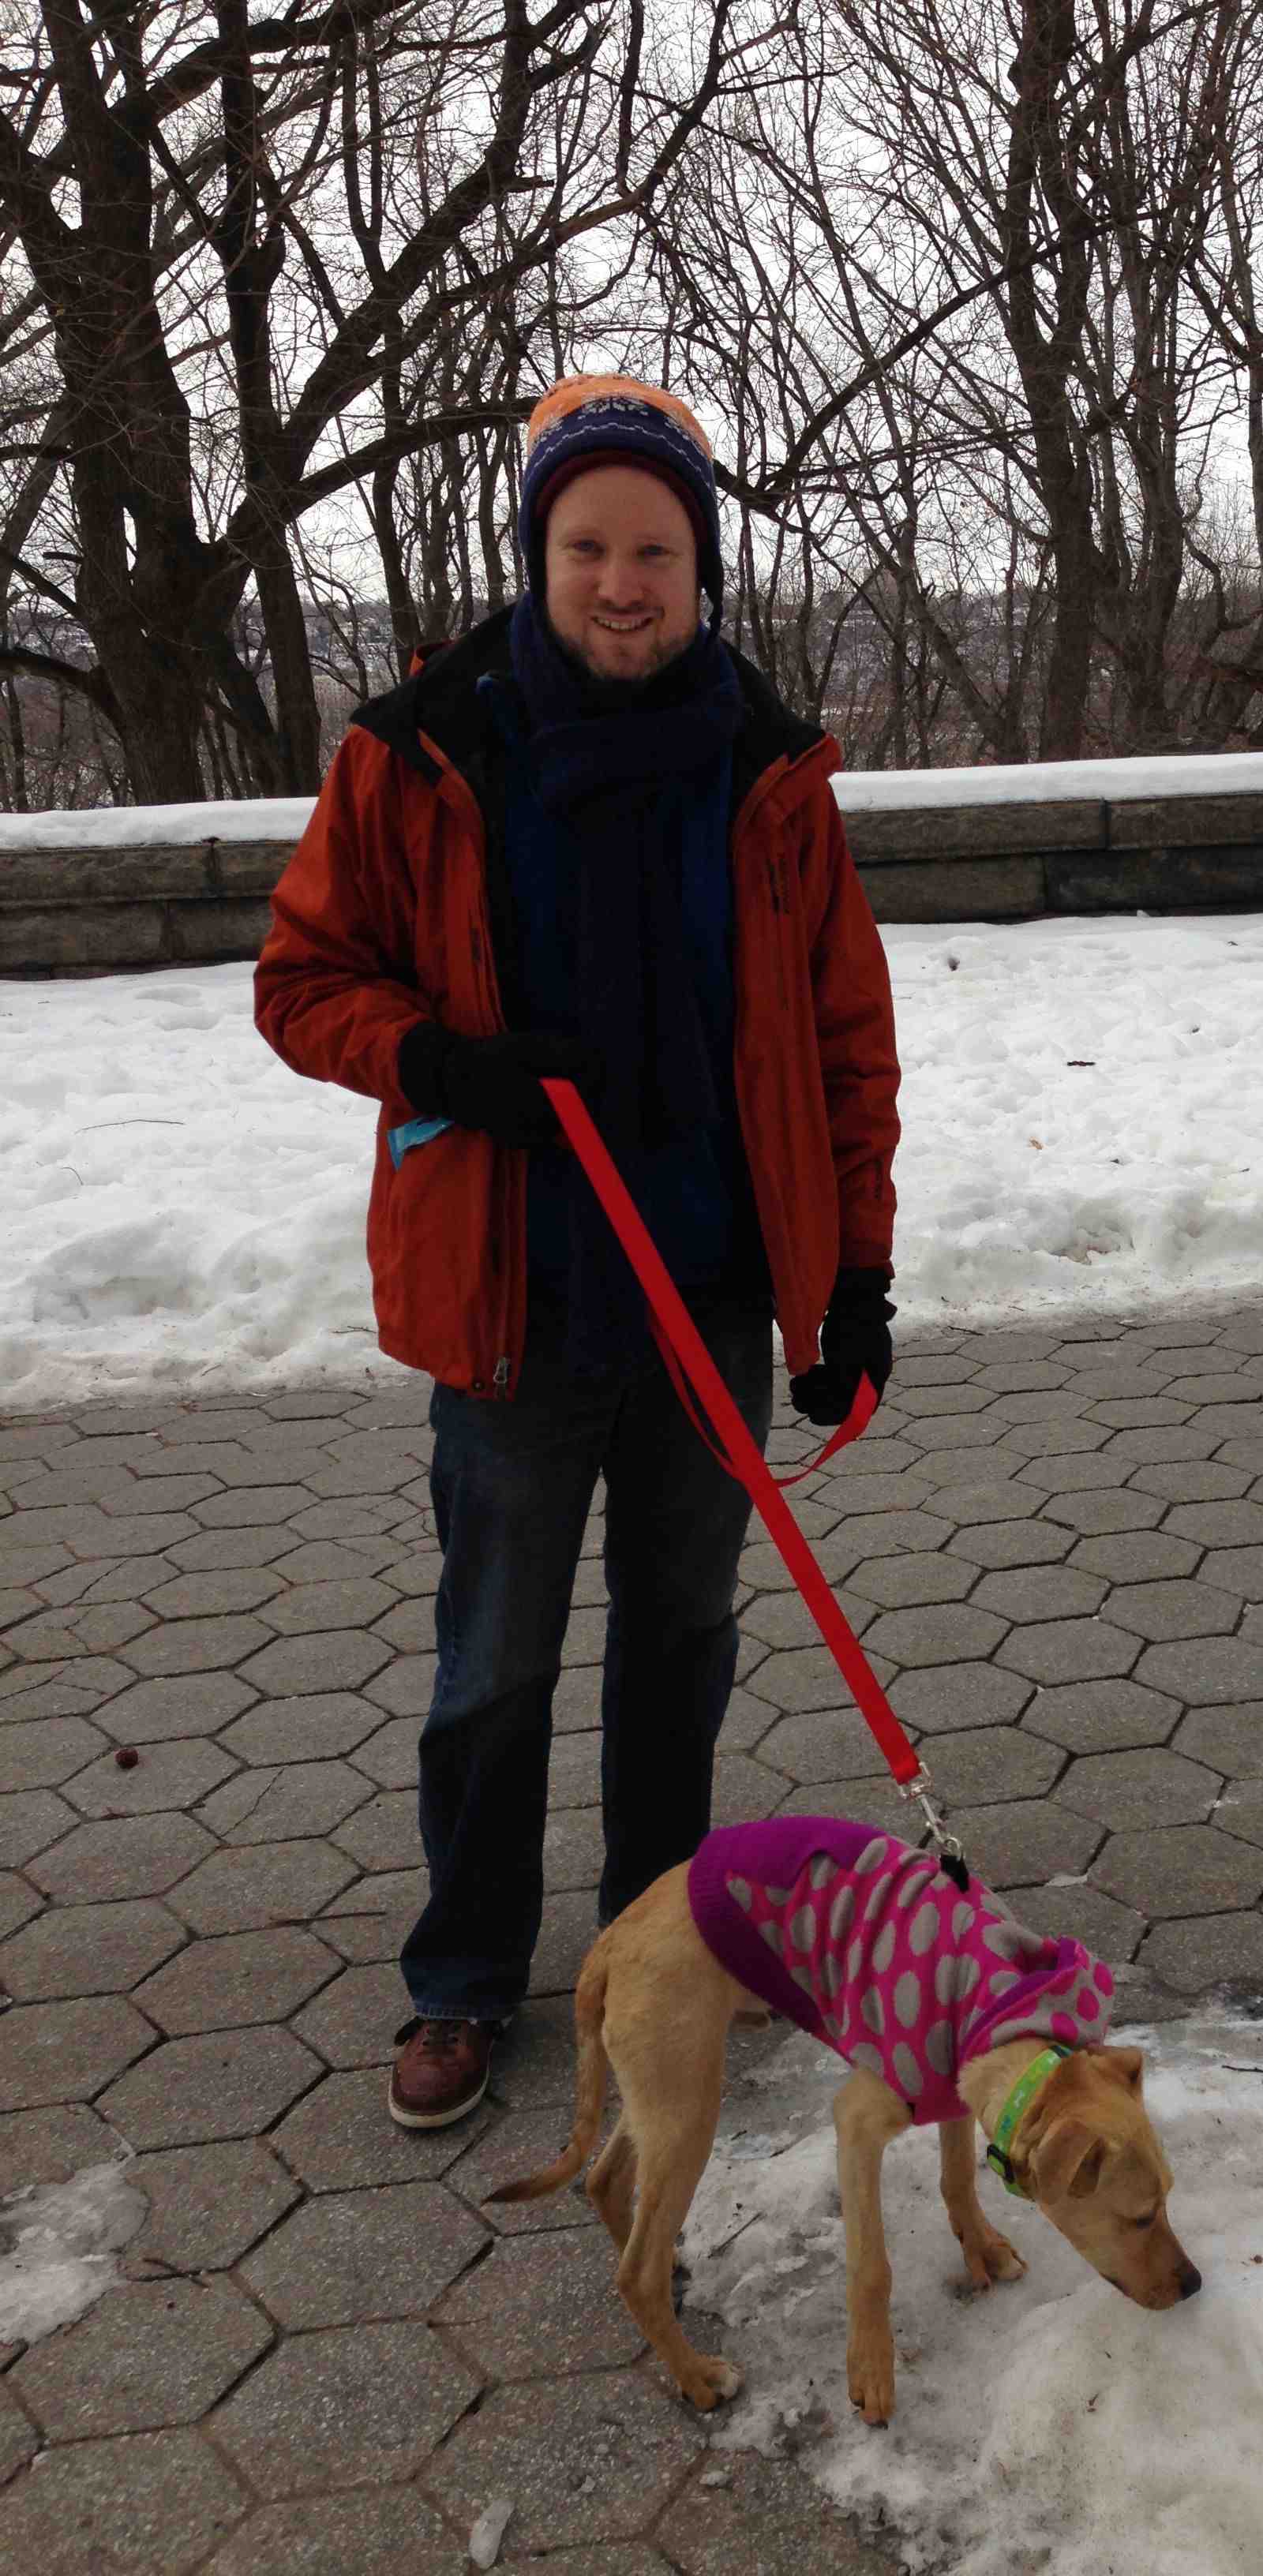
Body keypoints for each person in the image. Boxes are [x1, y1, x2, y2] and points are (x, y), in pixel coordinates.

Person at [256, 376, 901, 2129]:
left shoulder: (768, 772)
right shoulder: (422, 752)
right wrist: (443, 1064)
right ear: (538, 555)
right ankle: (465, 1975)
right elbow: (301, 982)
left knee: (680, 1641)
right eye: (589, 547)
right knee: (496, 1665)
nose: (623, 583)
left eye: (657, 551)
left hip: (710, 1294)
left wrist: (852, 1284)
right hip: (516, 1300)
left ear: (704, 568)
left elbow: (845, 1043)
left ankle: (659, 1947)